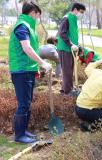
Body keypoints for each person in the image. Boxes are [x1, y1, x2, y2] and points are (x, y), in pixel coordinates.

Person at [8, 1, 52, 143]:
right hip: (21, 70)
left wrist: (36, 67)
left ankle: (24, 131)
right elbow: (26, 48)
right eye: (38, 15)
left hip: (28, 70)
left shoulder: (28, 26)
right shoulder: (22, 26)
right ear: (33, 12)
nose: (38, 19)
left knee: (27, 102)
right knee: (23, 104)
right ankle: (19, 136)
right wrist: (42, 62)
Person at [57, 2, 86, 96]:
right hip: (65, 48)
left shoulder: (73, 19)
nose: (81, 14)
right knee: (67, 71)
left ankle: (66, 89)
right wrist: (70, 44)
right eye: (80, 12)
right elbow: (62, 33)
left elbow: (72, 35)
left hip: (71, 49)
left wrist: (78, 45)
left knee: (69, 70)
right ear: (75, 9)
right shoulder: (66, 18)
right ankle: (67, 92)